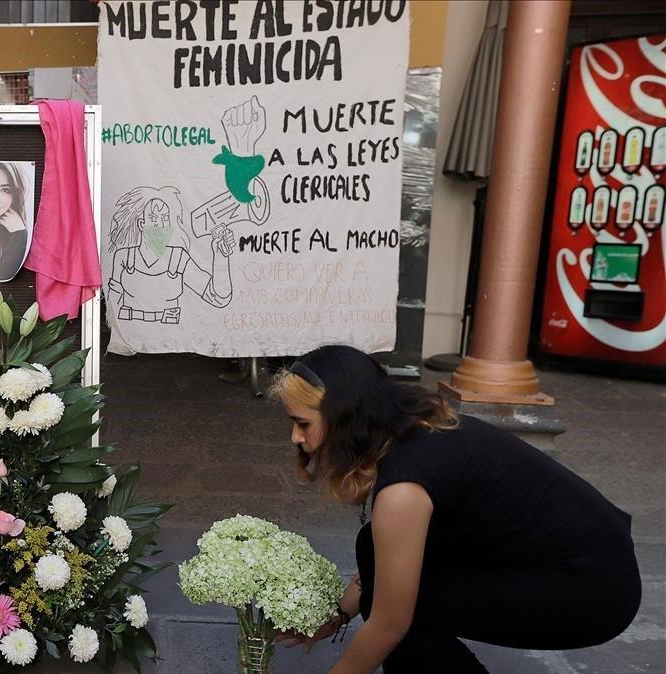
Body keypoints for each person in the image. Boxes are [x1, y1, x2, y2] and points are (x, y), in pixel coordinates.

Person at [270, 345, 641, 673]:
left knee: (403, 617)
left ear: (345, 419)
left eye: (302, 423)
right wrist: (337, 614)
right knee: (373, 548)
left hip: (592, 588)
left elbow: (389, 624)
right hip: (581, 560)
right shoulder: (410, 428)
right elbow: (381, 571)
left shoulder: (403, 490)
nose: (295, 438)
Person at [106, 186, 235, 324]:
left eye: (165, 218)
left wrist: (220, 256)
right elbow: (112, 305)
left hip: (171, 340)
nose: (160, 224)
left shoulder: (178, 258)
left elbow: (218, 297)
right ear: (141, 224)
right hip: (129, 340)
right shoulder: (124, 257)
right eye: (153, 218)